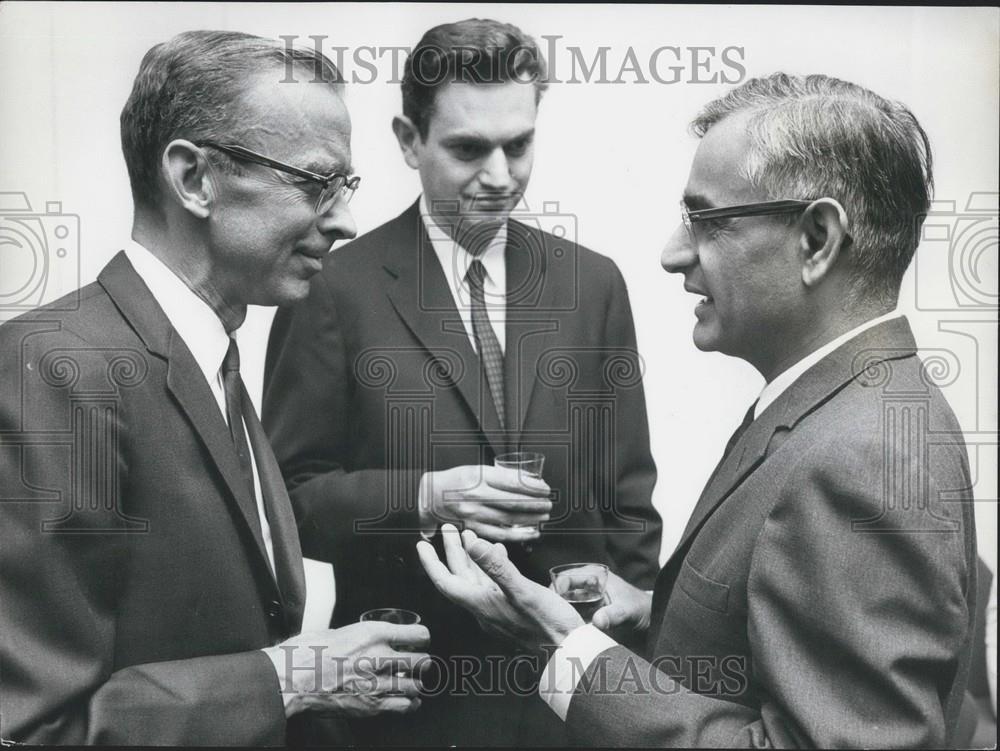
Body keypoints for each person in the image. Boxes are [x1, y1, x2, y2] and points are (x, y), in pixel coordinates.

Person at [418, 73, 979, 748]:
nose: (672, 254)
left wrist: (563, 647)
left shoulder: (858, 455)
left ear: (817, 239)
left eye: (706, 220)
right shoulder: (853, 409)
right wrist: (663, 610)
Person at [0, 30, 429, 746]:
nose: (347, 220)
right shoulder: (58, 369)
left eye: (344, 187)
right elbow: (35, 729)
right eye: (318, 182)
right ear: (194, 178)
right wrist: (291, 677)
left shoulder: (211, 361)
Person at [263, 17, 661, 746]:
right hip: (405, 705)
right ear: (409, 140)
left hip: (566, 708)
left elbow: (629, 499)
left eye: (519, 144)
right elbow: (288, 501)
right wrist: (421, 496)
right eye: (469, 149)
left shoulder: (593, 283)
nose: (500, 175)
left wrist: (617, 650)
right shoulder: (334, 286)